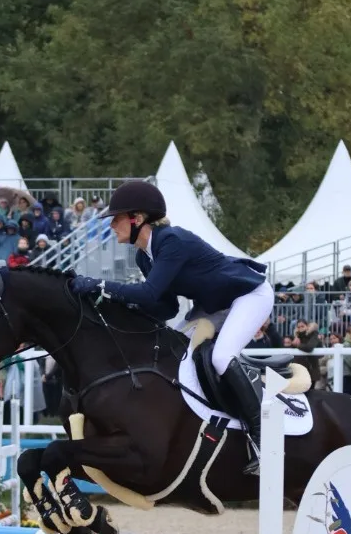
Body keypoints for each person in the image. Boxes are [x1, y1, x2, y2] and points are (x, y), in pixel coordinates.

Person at [72, 179, 274, 466]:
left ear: (137, 219)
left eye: (116, 219)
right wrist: (118, 308)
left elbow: (149, 293)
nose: (111, 226)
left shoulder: (171, 241)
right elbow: (165, 306)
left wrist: (99, 284)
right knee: (173, 354)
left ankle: (261, 438)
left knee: (220, 356)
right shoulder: (144, 256)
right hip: (214, 305)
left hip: (249, 295)